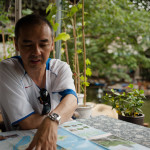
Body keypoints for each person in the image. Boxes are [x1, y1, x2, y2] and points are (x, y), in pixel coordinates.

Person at [0, 14, 78, 149]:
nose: (36, 51)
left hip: (60, 139)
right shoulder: (6, 70)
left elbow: (72, 100)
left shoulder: (60, 68)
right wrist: (59, 118)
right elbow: (27, 122)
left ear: (52, 44)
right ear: (16, 44)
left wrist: (53, 120)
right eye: (28, 44)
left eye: (43, 44)